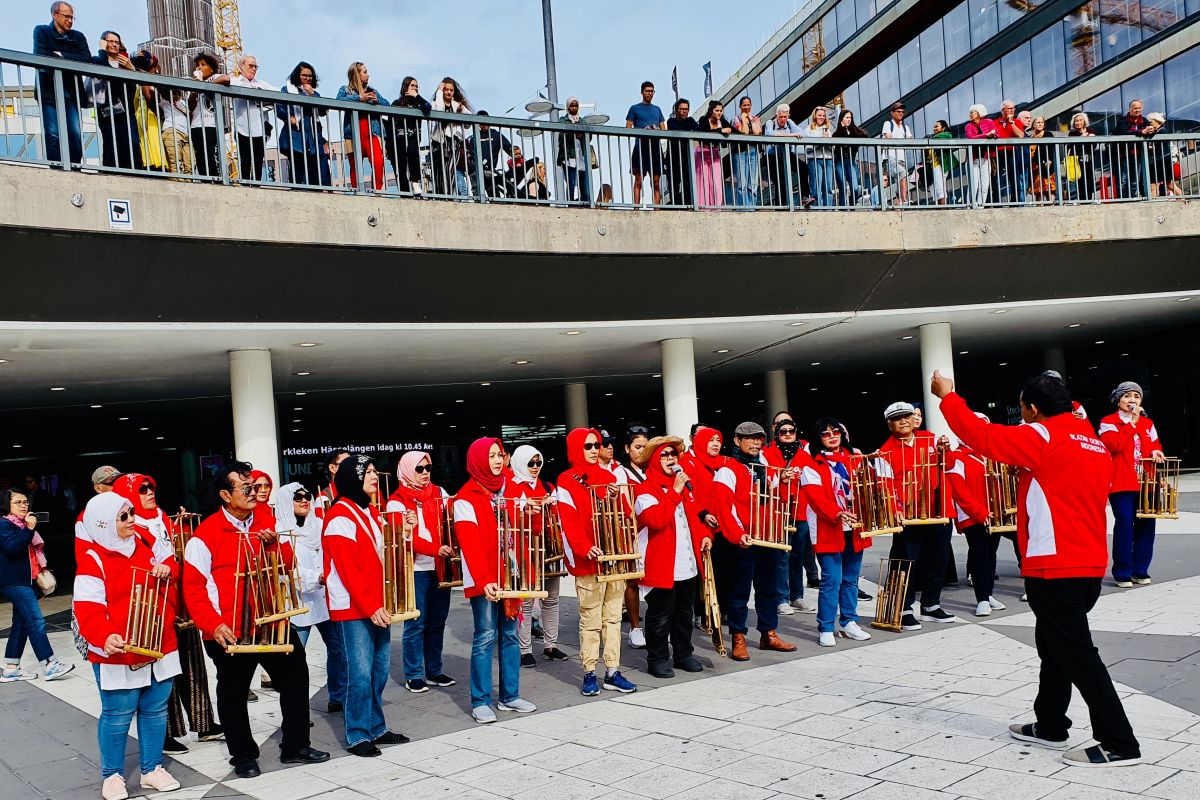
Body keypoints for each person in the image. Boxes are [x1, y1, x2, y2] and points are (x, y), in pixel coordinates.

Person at [934, 369, 1142, 767]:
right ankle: (1050, 724)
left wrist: (948, 396)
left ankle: (1120, 743)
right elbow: (1064, 483)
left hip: (1056, 566)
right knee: (1053, 645)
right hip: (1087, 561)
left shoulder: (1042, 435)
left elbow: (983, 437)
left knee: (1078, 654)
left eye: (1023, 407)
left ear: (1031, 408)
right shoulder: (1092, 442)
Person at [182, 460, 328, 778]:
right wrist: (213, 624)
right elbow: (193, 590)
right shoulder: (204, 536)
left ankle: (296, 746)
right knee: (233, 692)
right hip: (230, 630)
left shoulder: (265, 519)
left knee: (295, 677)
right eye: (245, 488)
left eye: (254, 486)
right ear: (225, 494)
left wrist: (274, 543)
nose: (253, 493)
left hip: (271, 620)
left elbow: (287, 564)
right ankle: (243, 755)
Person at [74, 492, 180, 800]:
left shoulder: (146, 538)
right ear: (104, 522)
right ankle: (112, 775)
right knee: (117, 713)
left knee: (156, 708)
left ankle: (151, 769)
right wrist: (104, 635)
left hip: (158, 638)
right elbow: (88, 607)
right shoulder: (94, 558)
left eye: (131, 512)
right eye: (124, 517)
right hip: (119, 648)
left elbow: (171, 562)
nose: (132, 519)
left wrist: (167, 570)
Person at [111, 473, 220, 753]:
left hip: (180, 601)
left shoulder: (164, 520)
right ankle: (168, 732)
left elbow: (174, 559)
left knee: (193, 664)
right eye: (142, 489)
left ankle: (203, 721)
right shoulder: (128, 530)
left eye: (151, 487)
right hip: (153, 609)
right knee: (163, 670)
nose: (150, 492)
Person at [322, 455, 408, 756]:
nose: (374, 476)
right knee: (359, 673)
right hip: (355, 607)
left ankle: (375, 726)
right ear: (351, 478)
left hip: (374, 604)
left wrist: (404, 528)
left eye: (374, 471)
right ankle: (358, 734)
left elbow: (384, 551)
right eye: (367, 472)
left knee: (379, 670)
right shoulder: (339, 517)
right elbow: (349, 570)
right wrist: (372, 605)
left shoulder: (368, 511)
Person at [455, 438, 538, 723]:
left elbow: (532, 528)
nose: (496, 460)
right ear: (478, 459)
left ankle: (510, 696)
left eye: (499, 455)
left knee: (511, 634)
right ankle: (479, 701)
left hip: (512, 573)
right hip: (485, 579)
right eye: (490, 456)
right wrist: (484, 579)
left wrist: (532, 512)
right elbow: (469, 543)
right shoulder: (465, 497)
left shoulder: (511, 489)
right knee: (485, 636)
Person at [556, 428, 639, 695]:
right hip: (588, 560)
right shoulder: (566, 480)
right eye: (588, 446)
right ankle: (589, 672)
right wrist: (582, 547)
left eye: (597, 445)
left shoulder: (609, 477)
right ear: (576, 449)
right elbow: (567, 519)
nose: (594, 450)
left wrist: (615, 497)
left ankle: (612, 671)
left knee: (613, 619)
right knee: (590, 620)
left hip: (613, 557)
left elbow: (627, 515)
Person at [711, 422, 797, 661]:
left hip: (767, 538)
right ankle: (738, 637)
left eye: (759, 438)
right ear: (737, 441)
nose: (756, 442)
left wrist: (784, 481)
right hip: (742, 540)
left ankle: (768, 633)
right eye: (750, 438)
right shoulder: (727, 469)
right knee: (738, 592)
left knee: (769, 589)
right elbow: (723, 508)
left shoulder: (765, 466)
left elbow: (773, 499)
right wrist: (738, 534)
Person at [633, 436, 709, 678]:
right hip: (661, 563)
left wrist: (706, 536)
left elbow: (696, 517)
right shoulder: (645, 490)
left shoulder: (685, 488)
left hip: (686, 562)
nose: (670, 459)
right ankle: (656, 658)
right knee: (660, 615)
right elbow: (655, 520)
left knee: (685, 613)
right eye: (664, 455)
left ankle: (683, 653)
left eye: (673, 455)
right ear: (655, 460)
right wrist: (675, 492)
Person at [879, 402, 957, 630]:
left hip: (938, 511)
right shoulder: (884, 452)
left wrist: (946, 450)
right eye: (897, 418)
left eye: (907, 416)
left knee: (938, 559)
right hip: (909, 516)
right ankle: (902, 608)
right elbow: (885, 486)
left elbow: (949, 465)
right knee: (905, 562)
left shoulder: (931, 439)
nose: (903, 421)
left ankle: (931, 605)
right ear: (889, 424)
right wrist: (897, 510)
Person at [385, 452, 457, 692]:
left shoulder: (439, 493)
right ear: (407, 470)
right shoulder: (396, 501)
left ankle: (434, 671)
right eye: (419, 469)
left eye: (428, 467)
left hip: (439, 566)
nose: (425, 472)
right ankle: (414, 674)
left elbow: (452, 521)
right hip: (414, 569)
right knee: (416, 623)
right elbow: (408, 539)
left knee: (437, 621)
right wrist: (436, 548)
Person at [274, 483, 345, 713]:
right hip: (297, 603)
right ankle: (296, 710)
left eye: (307, 496)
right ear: (287, 503)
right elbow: (286, 571)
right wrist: (317, 578)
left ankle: (339, 696)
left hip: (324, 599)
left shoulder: (320, 526)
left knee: (337, 648)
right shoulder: (280, 533)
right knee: (295, 659)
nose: (304, 500)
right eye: (297, 498)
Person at [799, 421, 870, 647]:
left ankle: (849, 621)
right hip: (828, 528)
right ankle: (826, 626)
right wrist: (837, 513)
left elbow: (872, 486)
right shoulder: (812, 465)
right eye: (825, 434)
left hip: (856, 528)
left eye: (835, 432)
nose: (832, 436)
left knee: (850, 579)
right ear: (818, 438)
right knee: (831, 579)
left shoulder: (856, 458)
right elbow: (815, 498)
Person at [506, 446, 570, 668]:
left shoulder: (547, 486)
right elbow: (506, 518)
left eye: (538, 463)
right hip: (524, 550)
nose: (535, 467)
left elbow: (557, 515)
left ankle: (550, 645)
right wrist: (523, 509)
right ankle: (524, 650)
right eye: (530, 463)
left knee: (551, 599)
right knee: (525, 600)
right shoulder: (510, 487)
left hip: (548, 547)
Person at [1, 489, 74, 682]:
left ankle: (11, 668)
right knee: (36, 621)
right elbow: (12, 548)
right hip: (15, 582)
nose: (24, 505)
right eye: (18, 502)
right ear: (6, 504)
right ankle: (50, 664)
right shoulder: (3, 524)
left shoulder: (21, 523)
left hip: (26, 580)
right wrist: (29, 529)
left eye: (25, 502)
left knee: (21, 624)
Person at [1099, 382, 1165, 588]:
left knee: (1147, 524)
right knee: (1125, 523)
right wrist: (1131, 424)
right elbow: (1114, 445)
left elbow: (1155, 444)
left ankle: (1140, 570)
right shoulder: (1108, 422)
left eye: (1137, 397)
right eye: (1128, 396)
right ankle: (1122, 571)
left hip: (1147, 482)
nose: (1133, 400)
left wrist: (1156, 451)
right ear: (1118, 400)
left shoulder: (1148, 423)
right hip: (1121, 482)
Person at [945, 431, 1007, 616]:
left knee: (990, 555)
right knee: (980, 555)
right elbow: (959, 489)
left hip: (994, 514)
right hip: (972, 516)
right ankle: (982, 599)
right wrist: (980, 512)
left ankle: (988, 594)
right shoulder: (956, 457)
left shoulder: (990, 455)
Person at [763, 415, 816, 615]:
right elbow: (762, 477)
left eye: (791, 432)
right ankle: (781, 598)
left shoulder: (805, 454)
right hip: (778, 510)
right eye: (783, 432)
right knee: (781, 556)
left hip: (800, 511)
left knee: (798, 556)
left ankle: (797, 597)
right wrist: (781, 477)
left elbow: (814, 478)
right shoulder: (767, 453)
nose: (787, 435)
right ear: (777, 433)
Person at [33, 2, 90, 166]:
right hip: (48, 91)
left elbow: (86, 59)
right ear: (54, 14)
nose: (70, 20)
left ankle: (75, 168)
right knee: (52, 133)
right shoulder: (41, 31)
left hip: (71, 92)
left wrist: (60, 55)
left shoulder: (78, 37)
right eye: (67, 16)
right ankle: (57, 169)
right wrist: (70, 58)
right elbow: (40, 55)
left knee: (75, 133)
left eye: (72, 17)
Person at [679, 426, 726, 624]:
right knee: (703, 570)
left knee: (723, 569)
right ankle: (702, 611)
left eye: (718, 440)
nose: (715, 444)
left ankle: (720, 609)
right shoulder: (688, 463)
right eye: (710, 440)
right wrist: (704, 514)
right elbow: (689, 495)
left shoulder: (724, 463)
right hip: (700, 522)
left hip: (722, 523)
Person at [612, 427, 650, 647]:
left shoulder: (654, 470)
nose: (642, 452)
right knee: (632, 580)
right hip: (633, 532)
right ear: (627, 449)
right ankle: (636, 627)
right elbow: (624, 506)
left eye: (646, 447)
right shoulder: (621, 473)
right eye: (637, 447)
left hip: (654, 531)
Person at [89, 31, 144, 171]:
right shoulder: (98, 60)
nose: (114, 44)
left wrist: (131, 68)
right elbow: (98, 70)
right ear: (104, 43)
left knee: (132, 143)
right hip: (106, 111)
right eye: (110, 41)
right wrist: (102, 50)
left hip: (126, 111)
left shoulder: (125, 63)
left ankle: (136, 175)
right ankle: (112, 175)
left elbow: (133, 89)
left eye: (117, 42)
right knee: (111, 144)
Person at [277, 61, 331, 187]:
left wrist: (312, 93)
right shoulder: (288, 90)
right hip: (296, 136)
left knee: (317, 173)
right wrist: (289, 117)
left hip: (313, 137)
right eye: (304, 75)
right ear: (297, 75)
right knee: (297, 171)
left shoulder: (312, 93)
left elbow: (323, 111)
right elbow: (279, 107)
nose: (308, 78)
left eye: (310, 76)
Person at [337, 63, 388, 191]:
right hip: (353, 134)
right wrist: (360, 98)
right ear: (357, 74)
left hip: (372, 132)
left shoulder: (373, 91)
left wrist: (377, 101)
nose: (368, 74)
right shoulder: (346, 90)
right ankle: (357, 192)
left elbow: (387, 105)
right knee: (355, 167)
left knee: (378, 163)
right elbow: (339, 101)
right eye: (365, 72)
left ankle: (377, 191)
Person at [229, 55, 275, 182]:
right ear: (241, 66)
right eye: (251, 66)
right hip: (242, 127)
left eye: (256, 66)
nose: (254, 69)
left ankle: (256, 187)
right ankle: (244, 186)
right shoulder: (235, 82)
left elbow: (277, 92)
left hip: (259, 129)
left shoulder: (261, 84)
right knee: (244, 160)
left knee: (258, 162)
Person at [384, 78, 431, 195]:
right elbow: (390, 125)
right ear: (405, 87)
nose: (415, 88)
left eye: (416, 86)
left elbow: (428, 107)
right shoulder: (396, 104)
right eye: (412, 86)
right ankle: (404, 193)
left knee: (412, 151)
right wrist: (387, 146)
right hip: (398, 140)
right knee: (400, 164)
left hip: (413, 137)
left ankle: (415, 182)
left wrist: (417, 96)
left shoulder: (419, 104)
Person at [625, 81, 667, 206]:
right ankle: (636, 208)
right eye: (647, 91)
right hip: (640, 148)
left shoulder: (657, 109)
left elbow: (663, 130)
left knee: (656, 181)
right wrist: (643, 130)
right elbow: (627, 128)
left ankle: (657, 209)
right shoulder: (634, 108)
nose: (650, 93)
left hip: (655, 148)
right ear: (642, 92)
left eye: (652, 91)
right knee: (638, 180)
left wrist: (655, 130)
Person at [430, 77, 473, 198]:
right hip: (439, 143)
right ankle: (441, 196)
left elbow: (469, 123)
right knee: (439, 172)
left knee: (451, 171)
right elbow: (439, 110)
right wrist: (438, 92)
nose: (448, 92)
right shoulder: (436, 103)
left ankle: (450, 196)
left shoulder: (458, 105)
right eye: (446, 89)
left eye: (451, 90)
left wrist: (461, 113)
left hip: (454, 142)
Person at [189, 52, 231, 179]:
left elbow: (226, 79)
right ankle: (205, 180)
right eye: (197, 66)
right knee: (200, 157)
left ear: (211, 68)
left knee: (210, 154)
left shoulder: (215, 78)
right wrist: (195, 90)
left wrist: (205, 85)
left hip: (210, 125)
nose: (199, 67)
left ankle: (215, 180)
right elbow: (191, 106)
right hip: (196, 126)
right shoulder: (194, 84)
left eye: (203, 64)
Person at [765, 104, 810, 207]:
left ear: (788, 116)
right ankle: (780, 208)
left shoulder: (789, 123)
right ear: (776, 115)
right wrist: (790, 135)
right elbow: (770, 134)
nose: (783, 119)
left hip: (787, 155)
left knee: (804, 168)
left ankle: (805, 197)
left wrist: (788, 134)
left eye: (785, 117)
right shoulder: (770, 122)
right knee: (780, 182)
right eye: (780, 117)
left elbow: (803, 134)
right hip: (773, 157)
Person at [130, 50, 165, 172]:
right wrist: (160, 112)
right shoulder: (146, 80)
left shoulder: (138, 79)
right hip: (150, 118)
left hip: (144, 117)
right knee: (153, 143)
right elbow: (148, 94)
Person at [1114, 99, 1152, 199]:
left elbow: (1151, 130)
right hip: (1123, 155)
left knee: (1135, 180)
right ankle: (1123, 199)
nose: (1138, 110)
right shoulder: (1122, 120)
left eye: (1139, 108)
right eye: (1135, 108)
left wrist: (1151, 130)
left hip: (1138, 155)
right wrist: (1141, 132)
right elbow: (1123, 132)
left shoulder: (1144, 120)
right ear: (1130, 109)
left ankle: (1133, 199)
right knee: (1123, 180)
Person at [468, 111, 511, 199]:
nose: (483, 125)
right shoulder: (474, 137)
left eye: (484, 121)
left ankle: (497, 205)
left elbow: (509, 149)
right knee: (477, 196)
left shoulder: (496, 135)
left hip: (489, 170)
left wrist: (515, 155)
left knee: (493, 195)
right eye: (480, 123)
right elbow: (471, 153)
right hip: (475, 170)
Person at [697, 100, 731, 208]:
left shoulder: (722, 121)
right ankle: (704, 208)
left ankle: (717, 208)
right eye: (717, 110)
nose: (719, 113)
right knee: (704, 182)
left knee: (717, 182)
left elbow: (733, 130)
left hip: (714, 153)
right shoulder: (703, 119)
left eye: (721, 111)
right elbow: (705, 133)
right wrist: (721, 130)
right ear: (711, 111)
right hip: (702, 152)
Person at [557, 97, 592, 203]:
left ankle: (585, 203)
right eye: (571, 106)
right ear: (568, 107)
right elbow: (561, 135)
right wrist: (573, 133)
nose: (574, 108)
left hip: (581, 155)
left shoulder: (582, 121)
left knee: (584, 184)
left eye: (575, 106)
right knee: (571, 183)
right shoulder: (563, 119)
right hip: (569, 155)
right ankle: (571, 204)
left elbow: (589, 138)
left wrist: (582, 135)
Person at [731, 97, 763, 208]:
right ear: (740, 106)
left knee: (753, 183)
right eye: (744, 105)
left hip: (753, 151)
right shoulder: (736, 119)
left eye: (748, 104)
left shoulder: (755, 118)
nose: (746, 107)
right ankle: (743, 207)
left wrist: (750, 118)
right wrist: (744, 119)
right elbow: (744, 132)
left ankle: (752, 207)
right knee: (742, 183)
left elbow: (757, 132)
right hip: (741, 152)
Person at [666, 98, 698, 207]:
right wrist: (689, 132)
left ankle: (689, 206)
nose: (684, 111)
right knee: (674, 184)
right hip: (673, 158)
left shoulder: (690, 120)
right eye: (682, 109)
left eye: (686, 109)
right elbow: (675, 132)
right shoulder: (671, 121)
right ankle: (675, 207)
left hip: (686, 158)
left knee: (688, 183)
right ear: (676, 110)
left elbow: (699, 131)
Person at [994, 100, 1027, 204]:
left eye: (1013, 108)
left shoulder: (1016, 122)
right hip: (997, 153)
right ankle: (996, 203)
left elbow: (1020, 136)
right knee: (995, 179)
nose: (1012, 110)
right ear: (1003, 110)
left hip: (1011, 152)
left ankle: (1015, 202)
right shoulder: (994, 122)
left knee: (1014, 178)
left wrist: (1011, 122)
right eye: (1010, 108)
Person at [881, 102, 914, 207]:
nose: (901, 113)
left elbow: (910, 141)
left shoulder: (905, 127)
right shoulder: (888, 124)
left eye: (902, 112)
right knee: (902, 174)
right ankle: (904, 200)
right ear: (892, 113)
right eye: (898, 112)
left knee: (900, 178)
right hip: (891, 157)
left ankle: (898, 201)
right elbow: (889, 138)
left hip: (902, 158)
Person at [964, 104, 998, 207]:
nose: (970, 114)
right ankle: (970, 205)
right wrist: (986, 135)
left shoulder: (989, 122)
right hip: (973, 159)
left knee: (985, 184)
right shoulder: (968, 126)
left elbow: (997, 134)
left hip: (986, 158)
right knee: (973, 184)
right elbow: (970, 138)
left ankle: (980, 205)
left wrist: (992, 135)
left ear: (979, 113)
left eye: (972, 112)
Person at [801, 106, 835, 207]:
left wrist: (828, 141)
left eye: (824, 116)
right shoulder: (809, 129)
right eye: (819, 115)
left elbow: (833, 147)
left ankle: (828, 208)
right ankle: (817, 208)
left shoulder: (828, 129)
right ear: (815, 116)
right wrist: (820, 141)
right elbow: (807, 148)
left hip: (828, 159)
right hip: (815, 159)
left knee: (828, 186)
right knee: (816, 186)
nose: (822, 117)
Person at [831, 110, 866, 206]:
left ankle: (852, 206)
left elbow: (865, 136)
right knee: (842, 188)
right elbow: (837, 140)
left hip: (851, 161)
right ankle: (843, 209)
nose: (849, 119)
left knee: (855, 188)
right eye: (847, 117)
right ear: (841, 119)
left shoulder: (854, 131)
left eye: (850, 118)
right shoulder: (837, 133)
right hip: (839, 162)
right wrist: (843, 129)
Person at [1144, 113, 1181, 197]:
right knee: (1168, 184)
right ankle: (1181, 198)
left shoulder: (1162, 131)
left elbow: (1158, 146)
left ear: (1157, 121)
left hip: (1161, 162)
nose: (1149, 124)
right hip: (1162, 162)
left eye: (1150, 122)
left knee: (1155, 184)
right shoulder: (1158, 131)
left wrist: (1150, 146)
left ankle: (1155, 203)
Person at [1066, 112, 1098, 202]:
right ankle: (1082, 200)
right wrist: (1081, 137)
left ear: (1084, 121)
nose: (1078, 122)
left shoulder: (1090, 131)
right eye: (1076, 121)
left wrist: (1092, 139)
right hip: (1077, 161)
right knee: (1080, 181)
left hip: (1088, 160)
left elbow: (1094, 146)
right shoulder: (1072, 134)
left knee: (1090, 180)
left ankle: (1089, 199)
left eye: (1080, 120)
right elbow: (1070, 147)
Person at [1028, 116, 1056, 203]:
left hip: (1046, 164)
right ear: (1033, 125)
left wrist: (1050, 160)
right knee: (1038, 191)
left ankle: (1051, 206)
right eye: (1038, 122)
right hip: (1034, 167)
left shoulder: (1048, 134)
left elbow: (1051, 148)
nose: (1040, 124)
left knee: (1049, 188)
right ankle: (1040, 208)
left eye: (1042, 122)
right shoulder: (1030, 137)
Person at [927, 120, 955, 206]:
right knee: (935, 187)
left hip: (940, 164)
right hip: (934, 164)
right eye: (934, 126)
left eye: (937, 126)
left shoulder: (946, 135)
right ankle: (940, 207)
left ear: (943, 128)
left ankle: (943, 208)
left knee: (940, 187)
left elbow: (948, 136)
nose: (934, 128)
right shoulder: (933, 139)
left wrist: (930, 140)